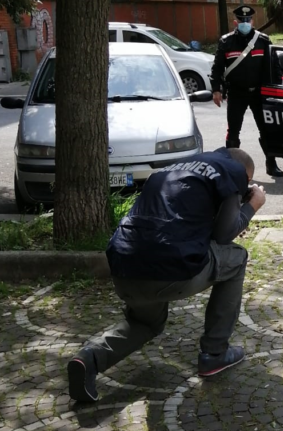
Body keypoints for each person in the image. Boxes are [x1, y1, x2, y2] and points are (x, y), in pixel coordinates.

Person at [67, 147, 266, 403]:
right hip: (169, 268)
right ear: (245, 176)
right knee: (237, 258)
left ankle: (89, 359)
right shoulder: (232, 170)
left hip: (123, 265)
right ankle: (215, 353)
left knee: (146, 323)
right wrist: (252, 204)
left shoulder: (177, 167)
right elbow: (224, 234)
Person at [210, 4, 283, 178]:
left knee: (266, 129)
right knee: (233, 131)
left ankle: (271, 163)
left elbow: (274, 67)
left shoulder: (263, 41)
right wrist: (216, 90)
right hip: (237, 93)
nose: (245, 23)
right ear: (235, 22)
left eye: (248, 20)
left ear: (252, 21)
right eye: (242, 20)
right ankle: (231, 168)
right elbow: (217, 68)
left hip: (260, 93)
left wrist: (277, 89)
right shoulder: (226, 42)